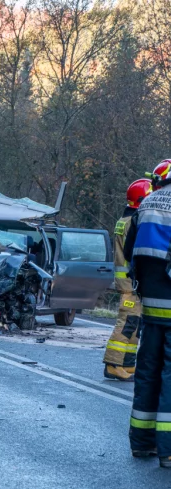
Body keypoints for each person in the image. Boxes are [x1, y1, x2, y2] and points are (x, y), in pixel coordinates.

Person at [124, 159, 171, 467]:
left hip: (151, 306)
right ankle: (168, 450)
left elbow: (130, 251)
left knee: (148, 371)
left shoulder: (147, 202)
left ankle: (142, 443)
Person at [103, 178, 151, 381]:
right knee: (127, 323)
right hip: (131, 283)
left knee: (135, 323)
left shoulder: (126, 219)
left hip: (128, 283)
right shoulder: (134, 222)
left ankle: (127, 363)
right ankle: (113, 364)